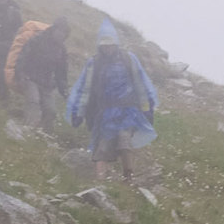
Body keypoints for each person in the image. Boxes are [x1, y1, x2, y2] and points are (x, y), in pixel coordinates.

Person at [66, 18, 158, 183]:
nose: (107, 48)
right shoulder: (94, 63)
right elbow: (85, 90)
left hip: (128, 111)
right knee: (102, 148)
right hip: (105, 113)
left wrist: (147, 107)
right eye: (104, 45)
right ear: (100, 46)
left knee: (124, 143)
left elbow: (140, 83)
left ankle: (128, 177)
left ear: (116, 44)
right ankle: (101, 183)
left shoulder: (128, 59)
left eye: (110, 45)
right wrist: (78, 112)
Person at [13, 20, 70, 132]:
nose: (60, 34)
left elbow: (61, 73)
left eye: (64, 33)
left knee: (51, 111)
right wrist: (20, 75)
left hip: (47, 83)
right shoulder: (37, 39)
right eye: (59, 31)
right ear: (53, 29)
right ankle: (28, 130)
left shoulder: (61, 50)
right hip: (30, 77)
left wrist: (65, 91)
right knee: (34, 102)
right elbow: (23, 57)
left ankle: (45, 134)